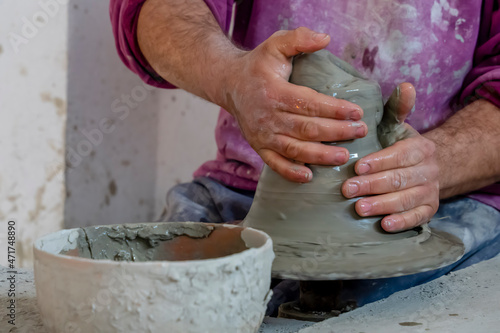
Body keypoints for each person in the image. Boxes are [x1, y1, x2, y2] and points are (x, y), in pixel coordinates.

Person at [110, 0, 500, 314]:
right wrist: (231, 77)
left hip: (438, 201)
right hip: (251, 193)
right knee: (142, 302)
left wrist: (436, 162)